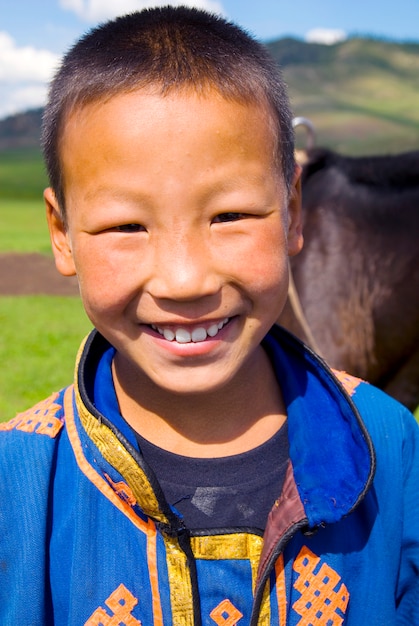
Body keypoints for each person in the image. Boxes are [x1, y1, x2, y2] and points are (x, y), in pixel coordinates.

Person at [0, 6, 418, 625]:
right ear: (61, 234)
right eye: (125, 226)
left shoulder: (389, 441)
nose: (185, 280)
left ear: (294, 212)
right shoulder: (19, 485)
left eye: (230, 217)